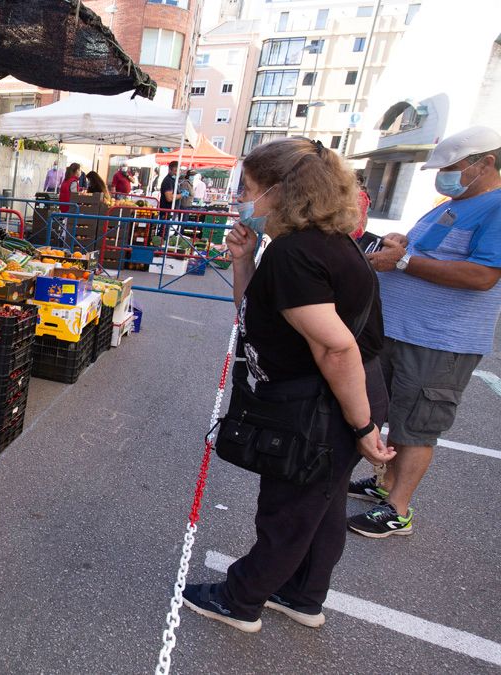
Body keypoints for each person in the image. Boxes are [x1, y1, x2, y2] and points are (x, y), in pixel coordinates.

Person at [182, 137, 393, 633]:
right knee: (322, 503)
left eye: (250, 188)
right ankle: (302, 595)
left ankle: (241, 598)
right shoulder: (318, 244)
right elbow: (256, 312)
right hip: (334, 395)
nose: (242, 198)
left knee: (291, 510)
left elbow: (335, 347)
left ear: (280, 191)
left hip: (323, 402)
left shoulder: (299, 255)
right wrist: (244, 259)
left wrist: (360, 424)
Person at [347, 126, 501, 538]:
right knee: (391, 414)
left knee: (417, 424)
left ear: (485, 163)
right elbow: (424, 252)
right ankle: (384, 486)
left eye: (451, 167)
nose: (443, 175)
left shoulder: (496, 208)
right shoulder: (452, 204)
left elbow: (483, 275)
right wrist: (401, 244)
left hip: (439, 341)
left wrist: (402, 263)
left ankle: (398, 508)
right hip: (400, 332)